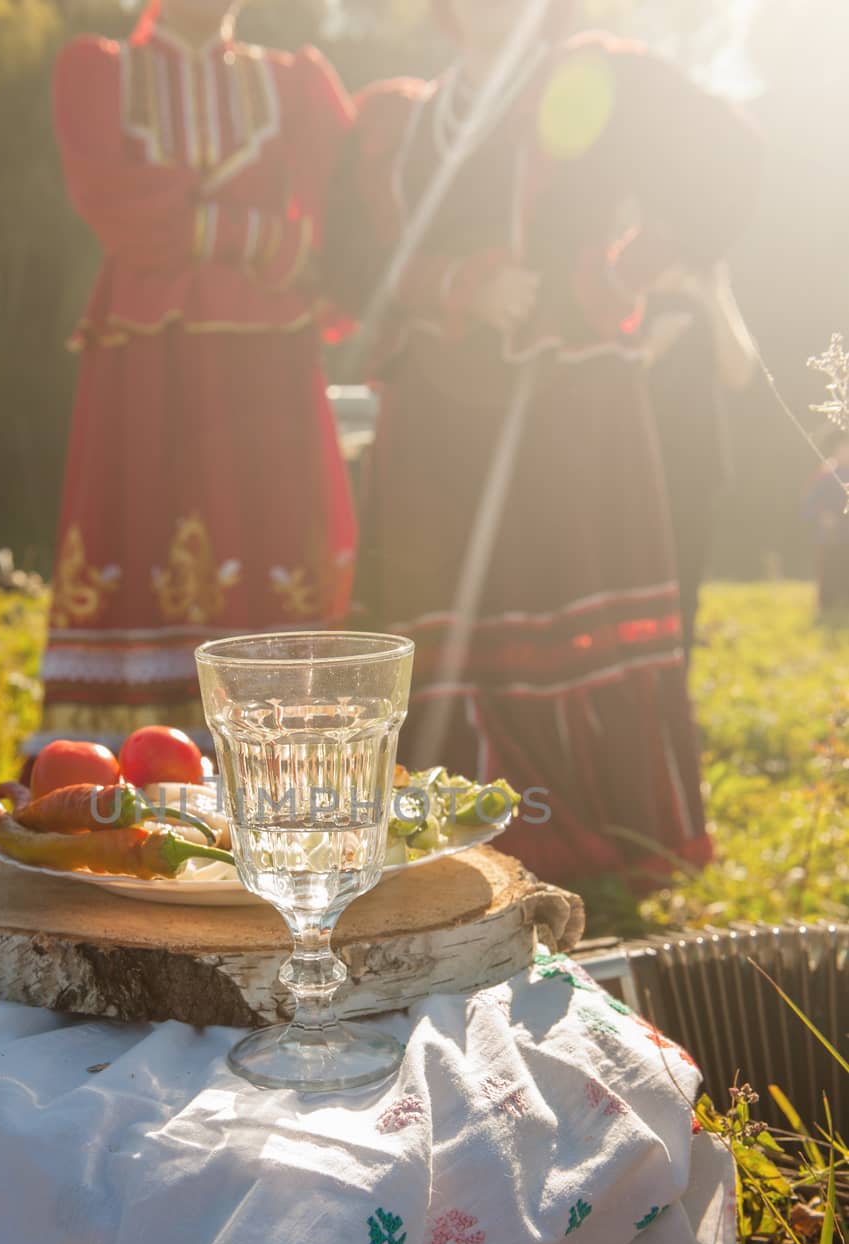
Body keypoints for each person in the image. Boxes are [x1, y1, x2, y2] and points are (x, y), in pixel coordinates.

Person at [324, 0, 761, 886]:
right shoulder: (397, 117)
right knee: (446, 611)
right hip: (434, 419)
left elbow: (729, 166)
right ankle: (449, 817)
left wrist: (613, 273)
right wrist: (454, 284)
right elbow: (346, 259)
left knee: (562, 588)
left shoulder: (597, 75)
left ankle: (602, 824)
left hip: (569, 406)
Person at [39, 0, 357, 748]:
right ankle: (122, 758)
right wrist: (265, 240)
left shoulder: (296, 83)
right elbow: (117, 205)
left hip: (266, 368)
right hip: (148, 362)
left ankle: (288, 758)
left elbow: (349, 221)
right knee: (139, 525)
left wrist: (210, 232)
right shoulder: (100, 72)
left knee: (272, 531)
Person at [642, 262, 757, 662]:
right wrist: (652, 347)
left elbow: (739, 373)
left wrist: (716, 294)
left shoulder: (706, 299)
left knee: (685, 587)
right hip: (635, 461)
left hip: (697, 465)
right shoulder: (626, 290)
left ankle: (676, 696)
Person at [805, 429, 849, 616]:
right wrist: (822, 516)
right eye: (842, 449)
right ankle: (826, 604)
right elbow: (809, 503)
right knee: (829, 569)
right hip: (830, 536)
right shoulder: (824, 475)